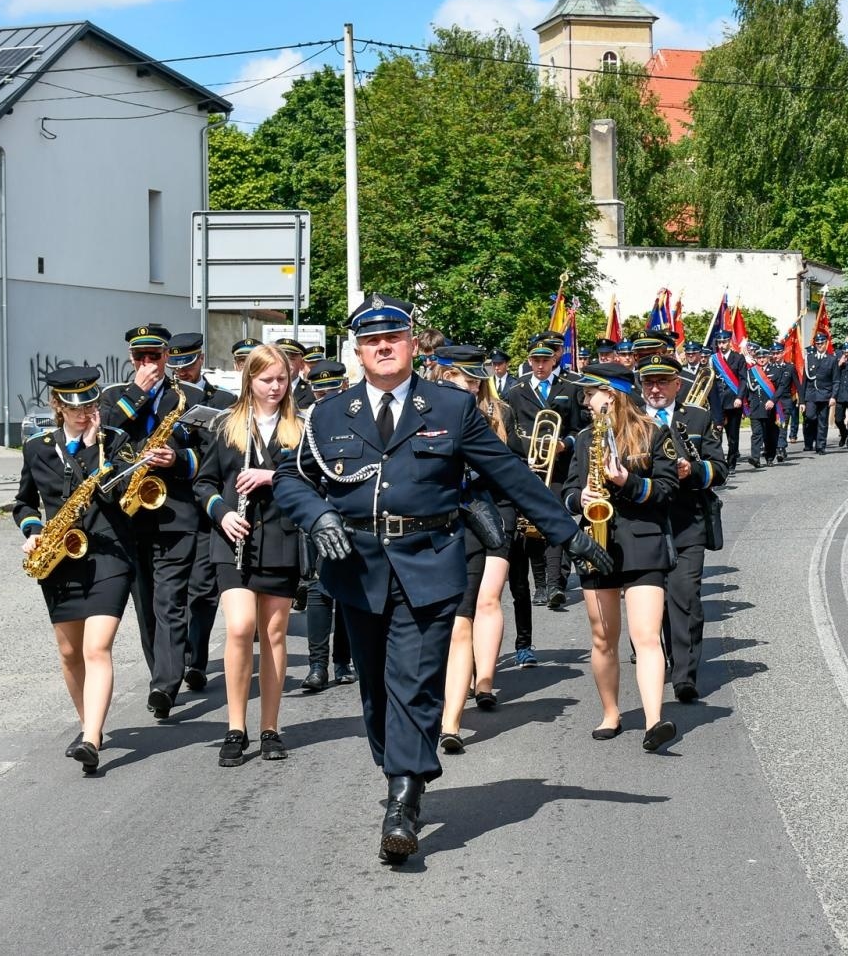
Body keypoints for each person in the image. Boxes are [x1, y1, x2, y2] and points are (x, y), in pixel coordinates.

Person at [272, 295, 612, 865]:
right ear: (358, 351)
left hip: (429, 562)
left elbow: (509, 473)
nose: (383, 348)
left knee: (414, 681)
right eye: (371, 341)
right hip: (356, 568)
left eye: (394, 338)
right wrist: (319, 514)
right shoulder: (328, 414)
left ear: (410, 344)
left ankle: (402, 797)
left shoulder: (451, 408)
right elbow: (291, 479)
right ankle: (400, 768)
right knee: (376, 691)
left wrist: (569, 534)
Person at [14, 366, 135, 775]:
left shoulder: (114, 442)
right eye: (74, 408)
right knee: (69, 653)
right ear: (57, 406)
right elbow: (25, 502)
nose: (84, 414)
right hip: (60, 560)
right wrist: (32, 531)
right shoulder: (38, 448)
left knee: (95, 648)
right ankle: (89, 724)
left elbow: (118, 494)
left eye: (90, 406)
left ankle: (91, 738)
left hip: (110, 555)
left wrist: (90, 449)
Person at [194, 344, 305, 766]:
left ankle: (270, 727)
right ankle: (235, 726)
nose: (276, 387)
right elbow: (203, 484)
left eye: (282, 379)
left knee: (273, 634)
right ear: (250, 381)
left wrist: (274, 476)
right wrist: (221, 515)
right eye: (267, 380)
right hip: (233, 540)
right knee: (240, 628)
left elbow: (316, 479)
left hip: (280, 540)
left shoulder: (301, 428)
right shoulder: (226, 427)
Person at [562, 362, 680, 749]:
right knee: (602, 638)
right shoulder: (583, 439)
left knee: (646, 636)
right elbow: (567, 490)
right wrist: (580, 497)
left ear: (610, 395)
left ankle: (653, 720)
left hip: (642, 544)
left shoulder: (652, 432)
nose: (584, 400)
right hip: (597, 543)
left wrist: (626, 482)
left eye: (589, 393)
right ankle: (611, 712)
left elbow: (666, 490)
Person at [100, 324, 199, 722]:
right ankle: (159, 670)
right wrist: (138, 393)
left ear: (167, 356)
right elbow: (104, 438)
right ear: (131, 358)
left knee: (169, 601)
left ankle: (165, 684)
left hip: (175, 513)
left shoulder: (188, 398)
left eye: (153, 357)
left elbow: (207, 455)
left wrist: (177, 460)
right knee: (144, 605)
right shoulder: (113, 397)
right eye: (139, 357)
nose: (146, 364)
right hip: (128, 515)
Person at [433, 346, 526, 754]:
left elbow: (513, 468)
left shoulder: (497, 413)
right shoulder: (426, 412)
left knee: (479, 604)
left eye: (476, 381)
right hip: (439, 521)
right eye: (465, 380)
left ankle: (472, 693)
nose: (473, 387)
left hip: (488, 513)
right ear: (445, 377)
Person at [636, 352, 726, 702]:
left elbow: (720, 468)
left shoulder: (698, 418)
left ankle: (684, 673)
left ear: (677, 384)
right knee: (648, 603)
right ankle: (652, 658)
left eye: (662, 382)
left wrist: (697, 470)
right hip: (643, 525)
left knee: (685, 597)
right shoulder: (631, 420)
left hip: (687, 522)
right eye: (648, 382)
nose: (655, 388)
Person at [166, 332, 237, 696]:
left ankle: (196, 661)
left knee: (204, 590)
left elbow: (227, 453)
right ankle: (176, 660)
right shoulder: (164, 401)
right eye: (175, 366)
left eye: (188, 364)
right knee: (172, 592)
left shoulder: (223, 401)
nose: (182, 373)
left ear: (200, 359)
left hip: (208, 505)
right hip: (171, 507)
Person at [504, 331, 585, 611]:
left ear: (554, 360)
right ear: (529, 361)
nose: (540, 365)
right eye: (535, 360)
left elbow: (581, 426)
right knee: (530, 527)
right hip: (528, 466)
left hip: (560, 469)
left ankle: (554, 585)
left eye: (545, 360)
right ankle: (539, 583)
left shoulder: (571, 386)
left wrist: (567, 443)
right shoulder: (515, 391)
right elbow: (509, 429)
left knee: (555, 520)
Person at [299, 360, 355, 692]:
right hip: (316, 510)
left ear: (343, 386)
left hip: (348, 508)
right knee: (318, 589)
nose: (324, 396)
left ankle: (343, 661)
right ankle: (317, 665)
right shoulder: (305, 420)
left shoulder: (355, 416)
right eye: (319, 390)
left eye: (330, 389)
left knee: (347, 590)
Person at [710, 330, 747, 471]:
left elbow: (743, 380)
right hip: (717, 402)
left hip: (733, 402)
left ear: (729, 342)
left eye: (724, 342)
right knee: (716, 435)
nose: (722, 345)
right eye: (719, 342)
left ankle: (731, 462)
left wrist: (739, 397)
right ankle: (719, 462)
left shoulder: (738, 358)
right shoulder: (713, 359)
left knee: (733, 436)